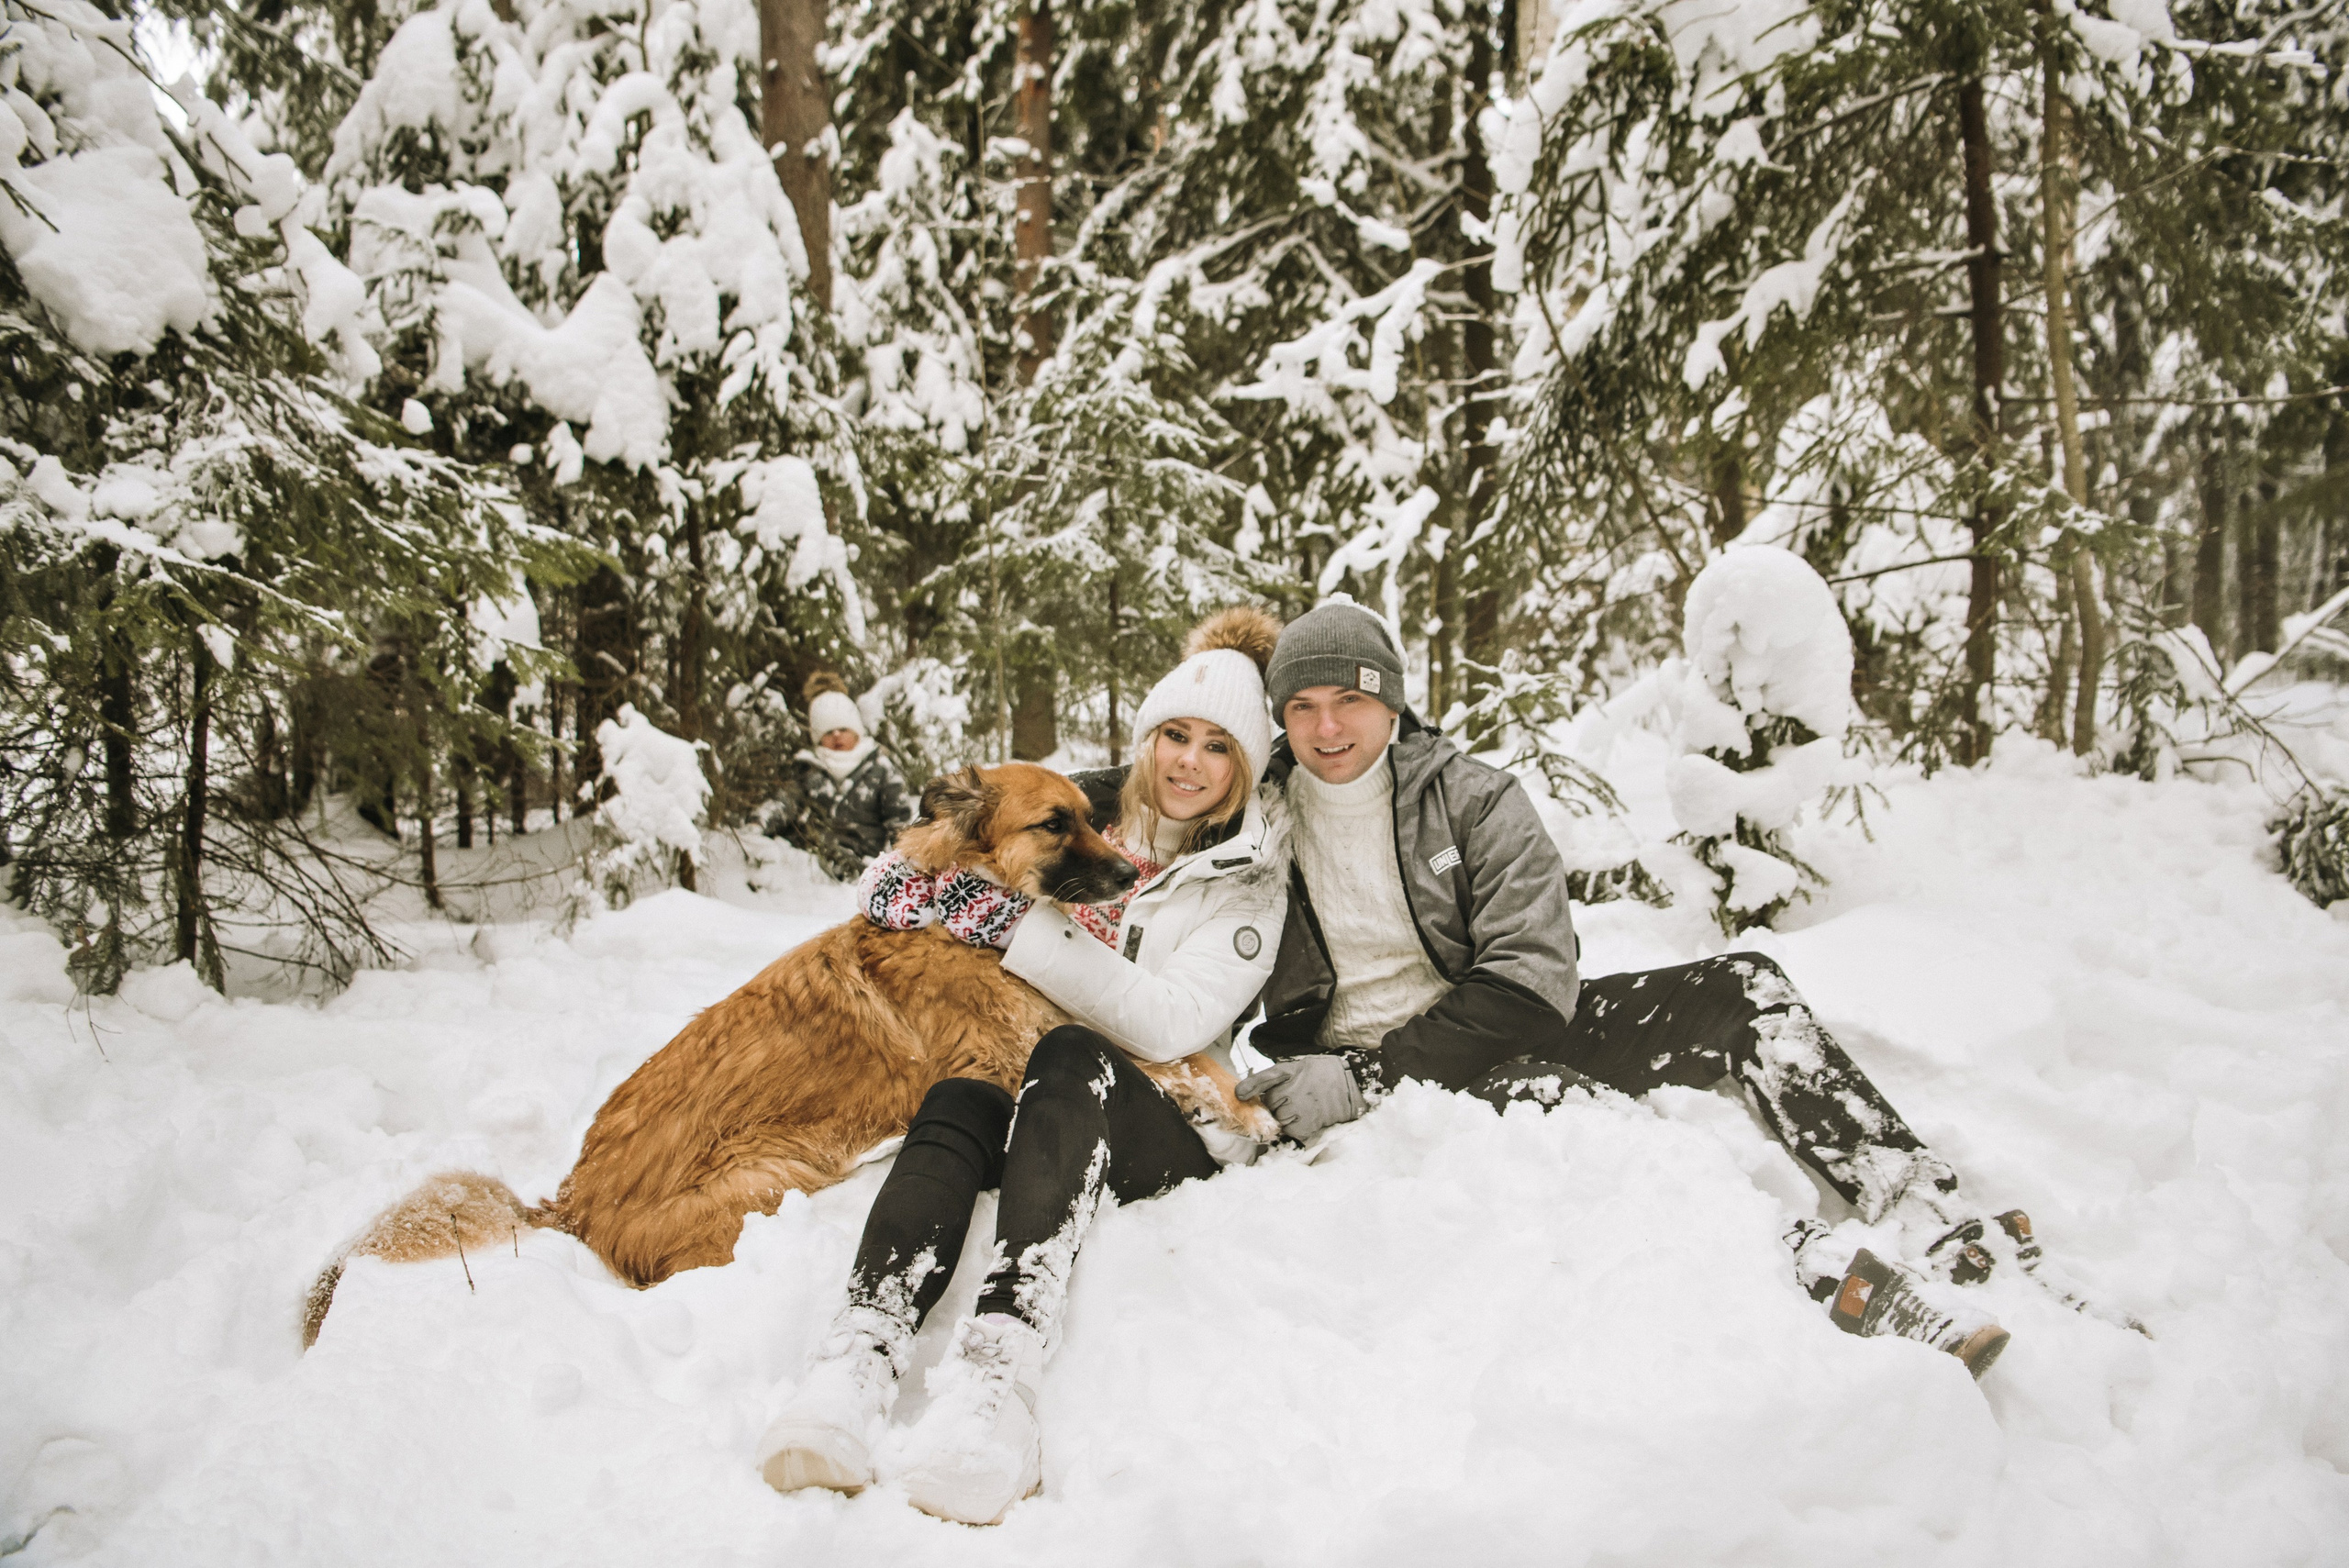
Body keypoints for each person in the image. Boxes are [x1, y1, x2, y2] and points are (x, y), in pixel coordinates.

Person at [1231, 599, 2023, 1378]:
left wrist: (1375, 1070)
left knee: (1739, 986)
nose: (1326, 728)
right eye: (1301, 706)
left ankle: (1927, 1210)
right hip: (1369, 1086)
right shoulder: (1253, 815)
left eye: (1350, 701)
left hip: (1489, 1030)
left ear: (1392, 701)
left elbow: (1529, 983)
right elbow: (1156, 782)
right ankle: (1823, 1271)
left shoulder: (1474, 800)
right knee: (1563, 1109)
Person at [756, 607, 1289, 1524]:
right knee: (963, 1086)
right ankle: (859, 1350)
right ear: (1147, 736)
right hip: (1042, 1109)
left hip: (1158, 1116)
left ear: (1243, 764)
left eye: (1217, 746)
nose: (1187, 761)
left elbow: (1166, 1019)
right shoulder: (1088, 807)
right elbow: (949, 836)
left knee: (1069, 1048)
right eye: (1173, 734)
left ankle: (1000, 1379)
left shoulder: (1252, 879)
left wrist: (1010, 924)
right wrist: (904, 877)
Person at [768, 672, 913, 879]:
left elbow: (900, 824)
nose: (836, 735)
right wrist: (757, 824)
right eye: (828, 731)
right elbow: (784, 803)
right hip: (810, 868)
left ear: (856, 731)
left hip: (864, 868)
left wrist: (907, 863)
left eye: (843, 729)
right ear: (817, 737)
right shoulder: (807, 768)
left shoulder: (880, 769)